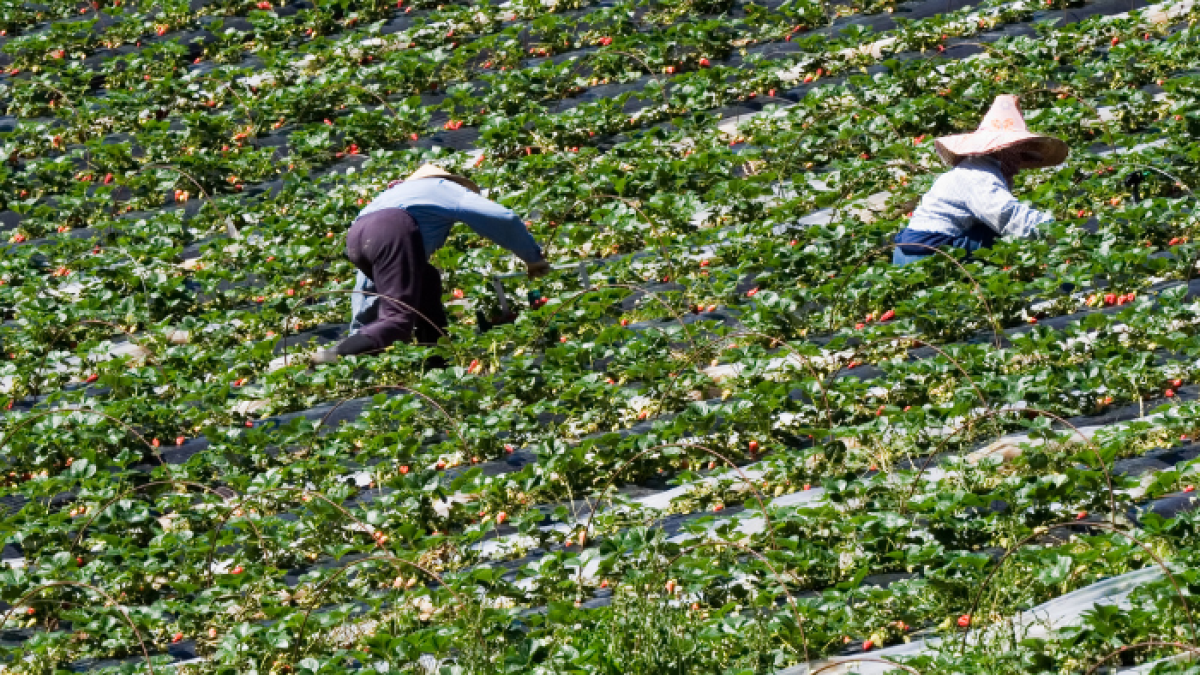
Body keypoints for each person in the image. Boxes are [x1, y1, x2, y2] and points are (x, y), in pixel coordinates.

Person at [334, 164, 550, 357]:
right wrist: (532, 258)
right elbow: (503, 217)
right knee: (398, 319)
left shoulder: (392, 197)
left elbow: (369, 285)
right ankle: (335, 355)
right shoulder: (442, 187)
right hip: (393, 230)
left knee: (426, 280)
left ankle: (437, 359)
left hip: (356, 238)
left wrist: (359, 329)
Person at [892, 95, 1069, 265]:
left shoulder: (975, 169)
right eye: (1017, 155)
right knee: (996, 237)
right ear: (1001, 150)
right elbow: (1007, 215)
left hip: (911, 251)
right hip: (926, 254)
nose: (1017, 166)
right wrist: (1057, 230)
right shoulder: (978, 175)